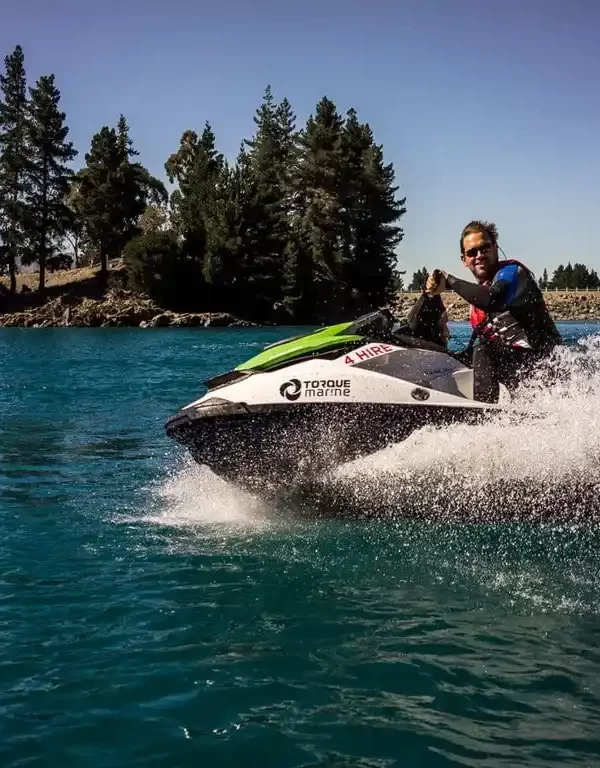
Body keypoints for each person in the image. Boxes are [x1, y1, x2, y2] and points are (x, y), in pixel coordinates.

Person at [425, 220, 562, 403]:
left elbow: (494, 299)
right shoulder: (478, 301)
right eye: (472, 252)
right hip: (524, 378)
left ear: (495, 248)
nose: (479, 255)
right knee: (472, 353)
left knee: (483, 351)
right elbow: (470, 356)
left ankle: (484, 418)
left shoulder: (513, 273)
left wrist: (449, 281)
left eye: (485, 248)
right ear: (464, 260)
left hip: (549, 367)